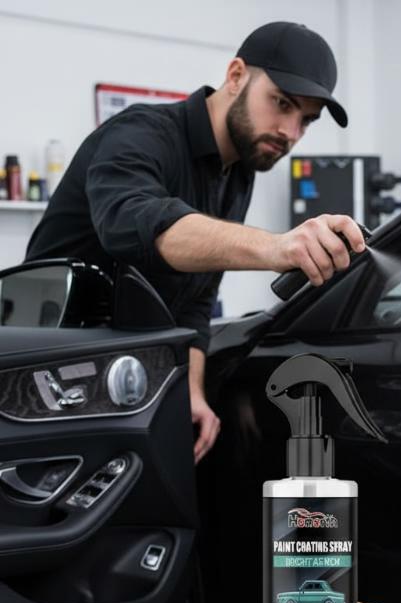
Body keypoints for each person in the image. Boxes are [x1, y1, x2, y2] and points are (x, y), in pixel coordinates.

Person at [26, 21, 365, 463]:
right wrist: (277, 247)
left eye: (306, 120)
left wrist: (192, 392)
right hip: (45, 379)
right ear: (236, 75)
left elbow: (196, 301)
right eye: (282, 103)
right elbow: (134, 223)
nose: (291, 132)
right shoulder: (141, 133)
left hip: (128, 381)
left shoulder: (238, 172)